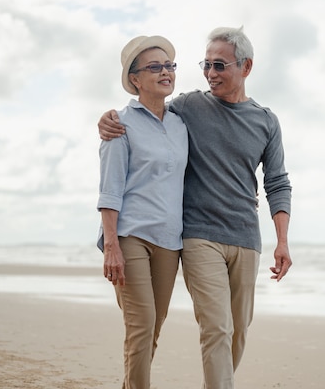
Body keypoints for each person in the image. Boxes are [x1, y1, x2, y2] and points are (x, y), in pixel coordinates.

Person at [99, 26, 292, 389]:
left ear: (246, 67)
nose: (210, 74)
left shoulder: (264, 121)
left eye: (219, 65)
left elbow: (277, 182)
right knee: (215, 327)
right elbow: (145, 113)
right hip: (197, 236)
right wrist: (108, 119)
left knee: (237, 332)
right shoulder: (189, 106)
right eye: (206, 65)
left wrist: (282, 241)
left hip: (244, 237)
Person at [97, 35, 188, 389]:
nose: (165, 72)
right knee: (141, 323)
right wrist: (111, 245)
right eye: (155, 66)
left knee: (153, 326)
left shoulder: (182, 124)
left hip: (170, 240)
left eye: (169, 65)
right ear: (135, 78)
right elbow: (109, 189)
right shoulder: (120, 124)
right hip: (130, 235)